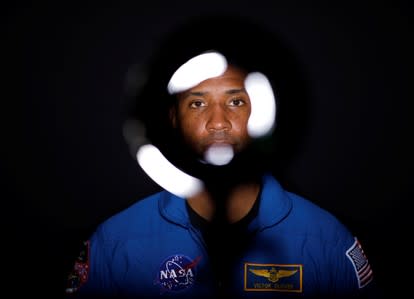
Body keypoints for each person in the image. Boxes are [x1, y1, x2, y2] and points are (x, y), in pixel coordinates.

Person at [65, 15, 377, 299]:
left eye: (237, 101)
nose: (218, 122)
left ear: (264, 110)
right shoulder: (115, 243)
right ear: (173, 118)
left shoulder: (326, 240)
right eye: (197, 103)